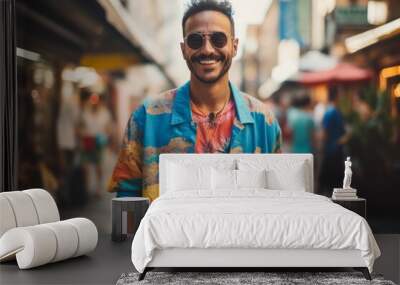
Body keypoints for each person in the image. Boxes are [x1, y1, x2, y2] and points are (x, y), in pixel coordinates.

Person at [108, 0, 282, 201]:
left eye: (218, 39)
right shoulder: (146, 118)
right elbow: (126, 203)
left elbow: (276, 200)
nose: (207, 49)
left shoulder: (263, 121)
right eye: (195, 41)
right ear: (184, 50)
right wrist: (128, 233)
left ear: (234, 47)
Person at [319, 85, 346, 195]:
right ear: (337, 95)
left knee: (332, 183)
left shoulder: (334, 111)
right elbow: (324, 133)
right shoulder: (331, 112)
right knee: (331, 184)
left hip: (334, 150)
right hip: (332, 151)